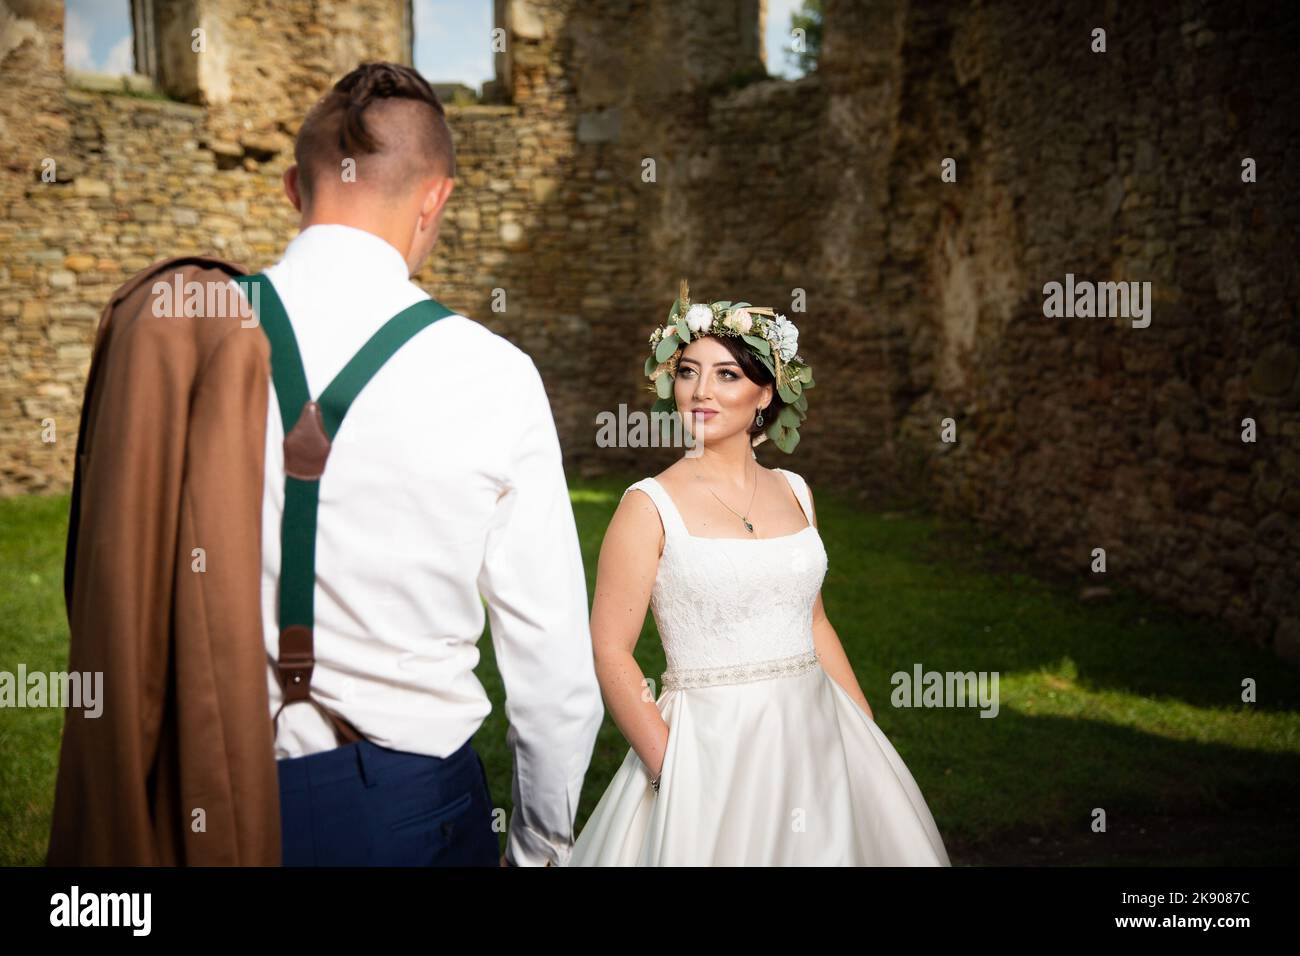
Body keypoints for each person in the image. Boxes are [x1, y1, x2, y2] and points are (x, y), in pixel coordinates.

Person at [252, 62, 603, 866]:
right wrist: (540, 845)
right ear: (435, 200)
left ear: (290, 188)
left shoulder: (186, 336)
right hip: (406, 812)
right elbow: (553, 674)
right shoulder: (494, 374)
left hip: (207, 796)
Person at [564, 284, 951, 865]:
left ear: (766, 392)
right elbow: (610, 649)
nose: (700, 391)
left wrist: (864, 733)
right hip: (709, 744)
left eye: (726, 376)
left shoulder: (795, 491)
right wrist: (671, 765)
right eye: (689, 372)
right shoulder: (646, 506)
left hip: (819, 731)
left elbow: (815, 620)